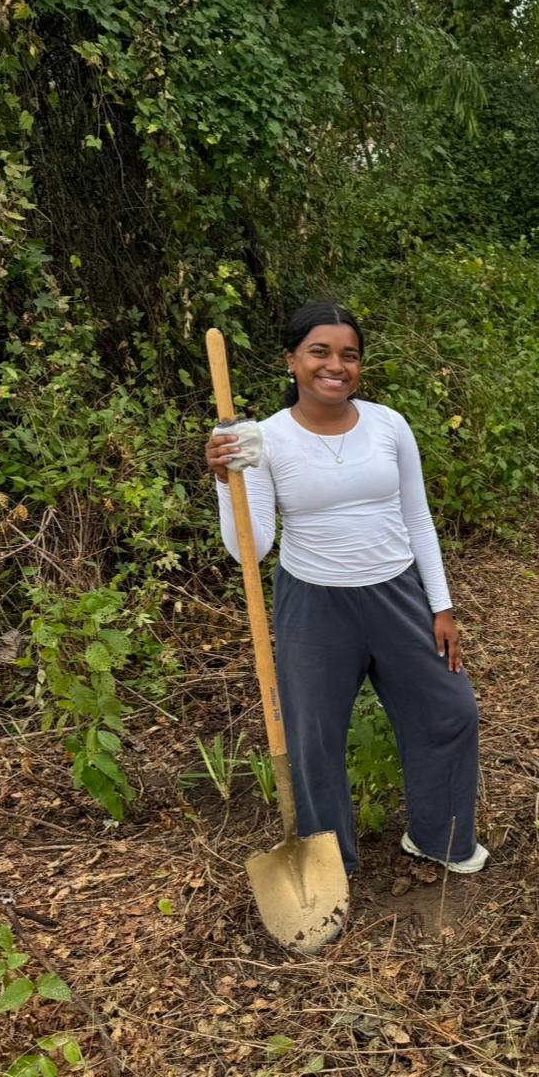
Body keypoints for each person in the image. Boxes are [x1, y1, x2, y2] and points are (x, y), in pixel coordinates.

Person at [206, 300, 485, 879]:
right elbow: (252, 550)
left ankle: (440, 837)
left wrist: (441, 604)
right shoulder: (262, 439)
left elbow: (418, 518)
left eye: (348, 355)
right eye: (319, 352)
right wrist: (225, 480)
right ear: (291, 360)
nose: (336, 365)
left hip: (399, 595)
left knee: (449, 710)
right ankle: (332, 860)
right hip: (314, 604)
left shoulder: (388, 424)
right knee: (314, 738)